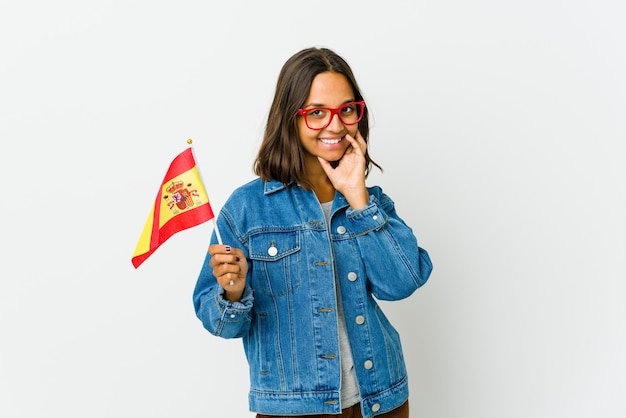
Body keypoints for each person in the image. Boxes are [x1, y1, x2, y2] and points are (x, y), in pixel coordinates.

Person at [193, 47, 433, 418]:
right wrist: (233, 291)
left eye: (347, 110)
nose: (335, 126)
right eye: (317, 113)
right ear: (291, 117)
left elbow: (403, 282)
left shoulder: (369, 201)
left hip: (381, 399)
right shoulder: (246, 208)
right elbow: (221, 324)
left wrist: (357, 197)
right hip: (293, 409)